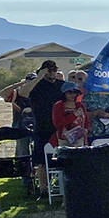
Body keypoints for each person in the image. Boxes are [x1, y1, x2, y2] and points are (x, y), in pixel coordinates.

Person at [18, 60, 66, 196]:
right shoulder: (36, 85)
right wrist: (39, 77)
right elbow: (23, 93)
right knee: (41, 160)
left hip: (60, 127)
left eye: (54, 69)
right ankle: (44, 189)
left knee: (62, 157)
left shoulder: (61, 85)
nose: (52, 72)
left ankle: (63, 186)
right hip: (42, 127)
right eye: (49, 70)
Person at [51, 81, 88, 147]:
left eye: (75, 92)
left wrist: (86, 129)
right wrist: (74, 115)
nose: (73, 95)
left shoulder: (80, 105)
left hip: (80, 140)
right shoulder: (58, 106)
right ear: (64, 93)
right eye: (70, 92)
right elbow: (57, 123)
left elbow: (86, 121)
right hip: (64, 141)